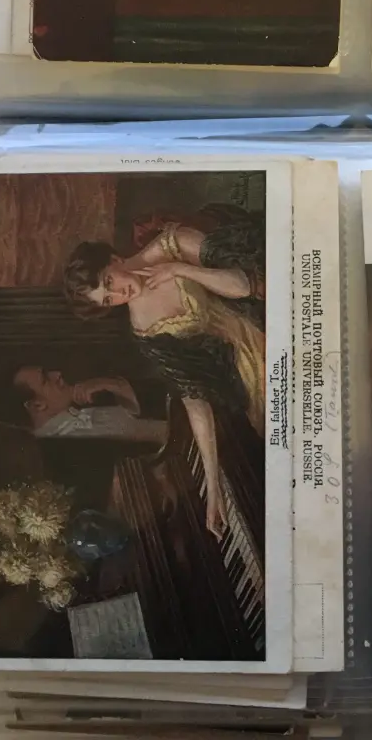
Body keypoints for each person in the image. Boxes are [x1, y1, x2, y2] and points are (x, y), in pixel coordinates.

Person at [63, 223, 266, 539]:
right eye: (107, 300)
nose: (118, 294)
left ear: (114, 260)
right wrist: (213, 489)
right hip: (248, 370)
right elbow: (193, 397)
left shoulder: (172, 245)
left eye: (109, 281)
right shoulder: (145, 329)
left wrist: (178, 268)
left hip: (264, 319)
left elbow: (244, 286)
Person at [8, 366, 168, 446]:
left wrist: (113, 385)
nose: (57, 374)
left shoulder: (77, 415)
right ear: (37, 405)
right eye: (46, 380)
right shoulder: (68, 443)